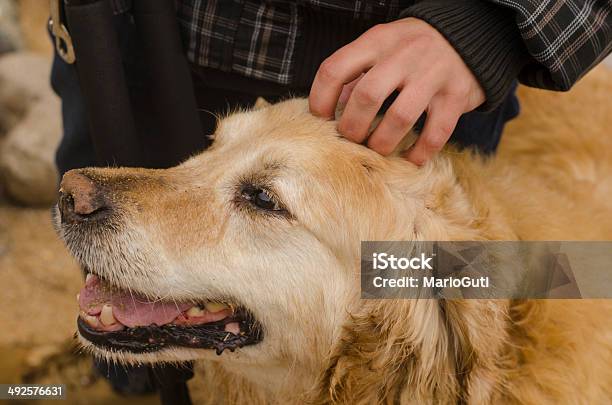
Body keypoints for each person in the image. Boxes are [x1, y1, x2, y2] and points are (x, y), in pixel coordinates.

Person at [51, 0, 611, 398]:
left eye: (263, 200)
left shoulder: (410, 269)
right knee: (132, 329)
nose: (90, 193)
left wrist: (493, 22)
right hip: (142, 32)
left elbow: (586, 274)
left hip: (430, 73)